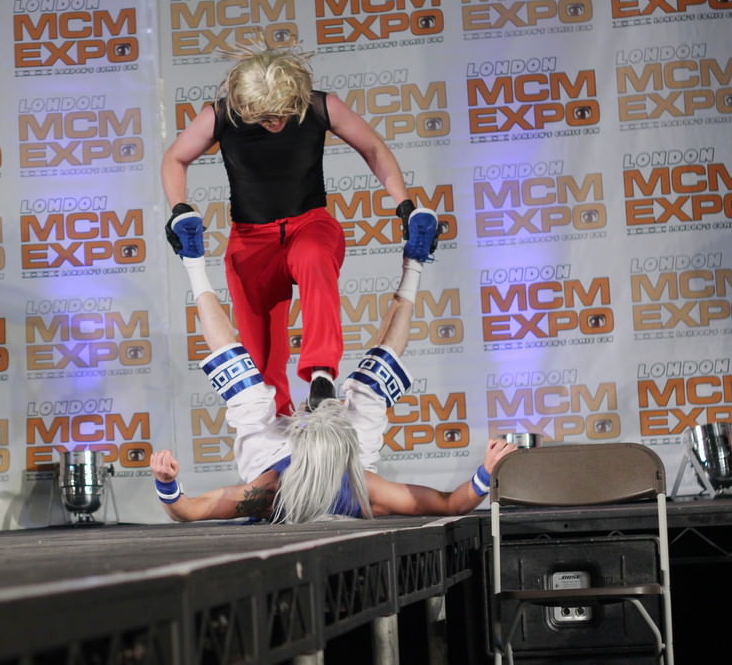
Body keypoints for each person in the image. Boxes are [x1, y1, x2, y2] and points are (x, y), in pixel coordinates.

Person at [156, 210, 512, 523]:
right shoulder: (365, 489)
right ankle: (415, 262)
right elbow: (450, 504)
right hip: (343, 460)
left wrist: (167, 482)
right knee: (372, 384)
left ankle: (192, 261)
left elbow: (188, 511)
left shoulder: (269, 491)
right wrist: (486, 473)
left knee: (246, 391)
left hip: (269, 457)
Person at [162, 44, 432, 416]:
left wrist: (404, 203)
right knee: (261, 357)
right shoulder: (221, 115)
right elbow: (175, 158)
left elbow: (373, 148)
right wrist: (179, 207)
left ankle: (321, 374)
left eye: (282, 114)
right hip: (251, 240)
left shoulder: (321, 106)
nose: (274, 123)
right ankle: (279, 420)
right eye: (265, 117)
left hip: (310, 225)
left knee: (313, 257)